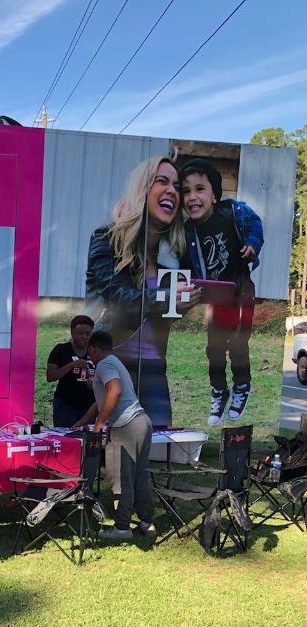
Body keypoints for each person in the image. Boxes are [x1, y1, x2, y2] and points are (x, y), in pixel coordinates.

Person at [85, 155, 199, 428]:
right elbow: (119, 299)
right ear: (142, 189)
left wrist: (182, 305)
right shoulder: (107, 239)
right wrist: (167, 299)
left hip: (154, 368)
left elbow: (158, 315)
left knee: (158, 441)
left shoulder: (170, 257)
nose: (172, 190)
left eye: (177, 186)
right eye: (162, 181)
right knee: (112, 445)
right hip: (114, 364)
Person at [179, 158, 265, 425]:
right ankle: (219, 391)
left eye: (200, 189)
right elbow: (184, 266)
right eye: (186, 191)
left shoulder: (232, 212)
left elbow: (255, 224)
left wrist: (252, 244)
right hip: (216, 298)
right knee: (214, 348)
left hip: (241, 292)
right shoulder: (187, 231)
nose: (192, 196)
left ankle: (242, 386)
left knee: (238, 344)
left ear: (215, 195)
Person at [72, 331, 155, 542]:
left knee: (120, 478)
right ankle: (146, 522)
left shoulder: (103, 364)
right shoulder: (115, 362)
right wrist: (85, 420)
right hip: (142, 421)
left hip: (125, 426)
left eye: (90, 352)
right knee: (140, 476)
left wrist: (99, 424)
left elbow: (114, 392)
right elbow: (102, 399)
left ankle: (122, 527)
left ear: (93, 348)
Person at [46, 314, 96, 427]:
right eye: (80, 333)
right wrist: (71, 365)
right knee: (65, 435)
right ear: (72, 332)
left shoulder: (95, 351)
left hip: (89, 407)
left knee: (87, 437)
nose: (84, 336)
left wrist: (95, 385)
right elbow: (50, 376)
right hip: (65, 405)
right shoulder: (61, 350)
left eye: (88, 334)